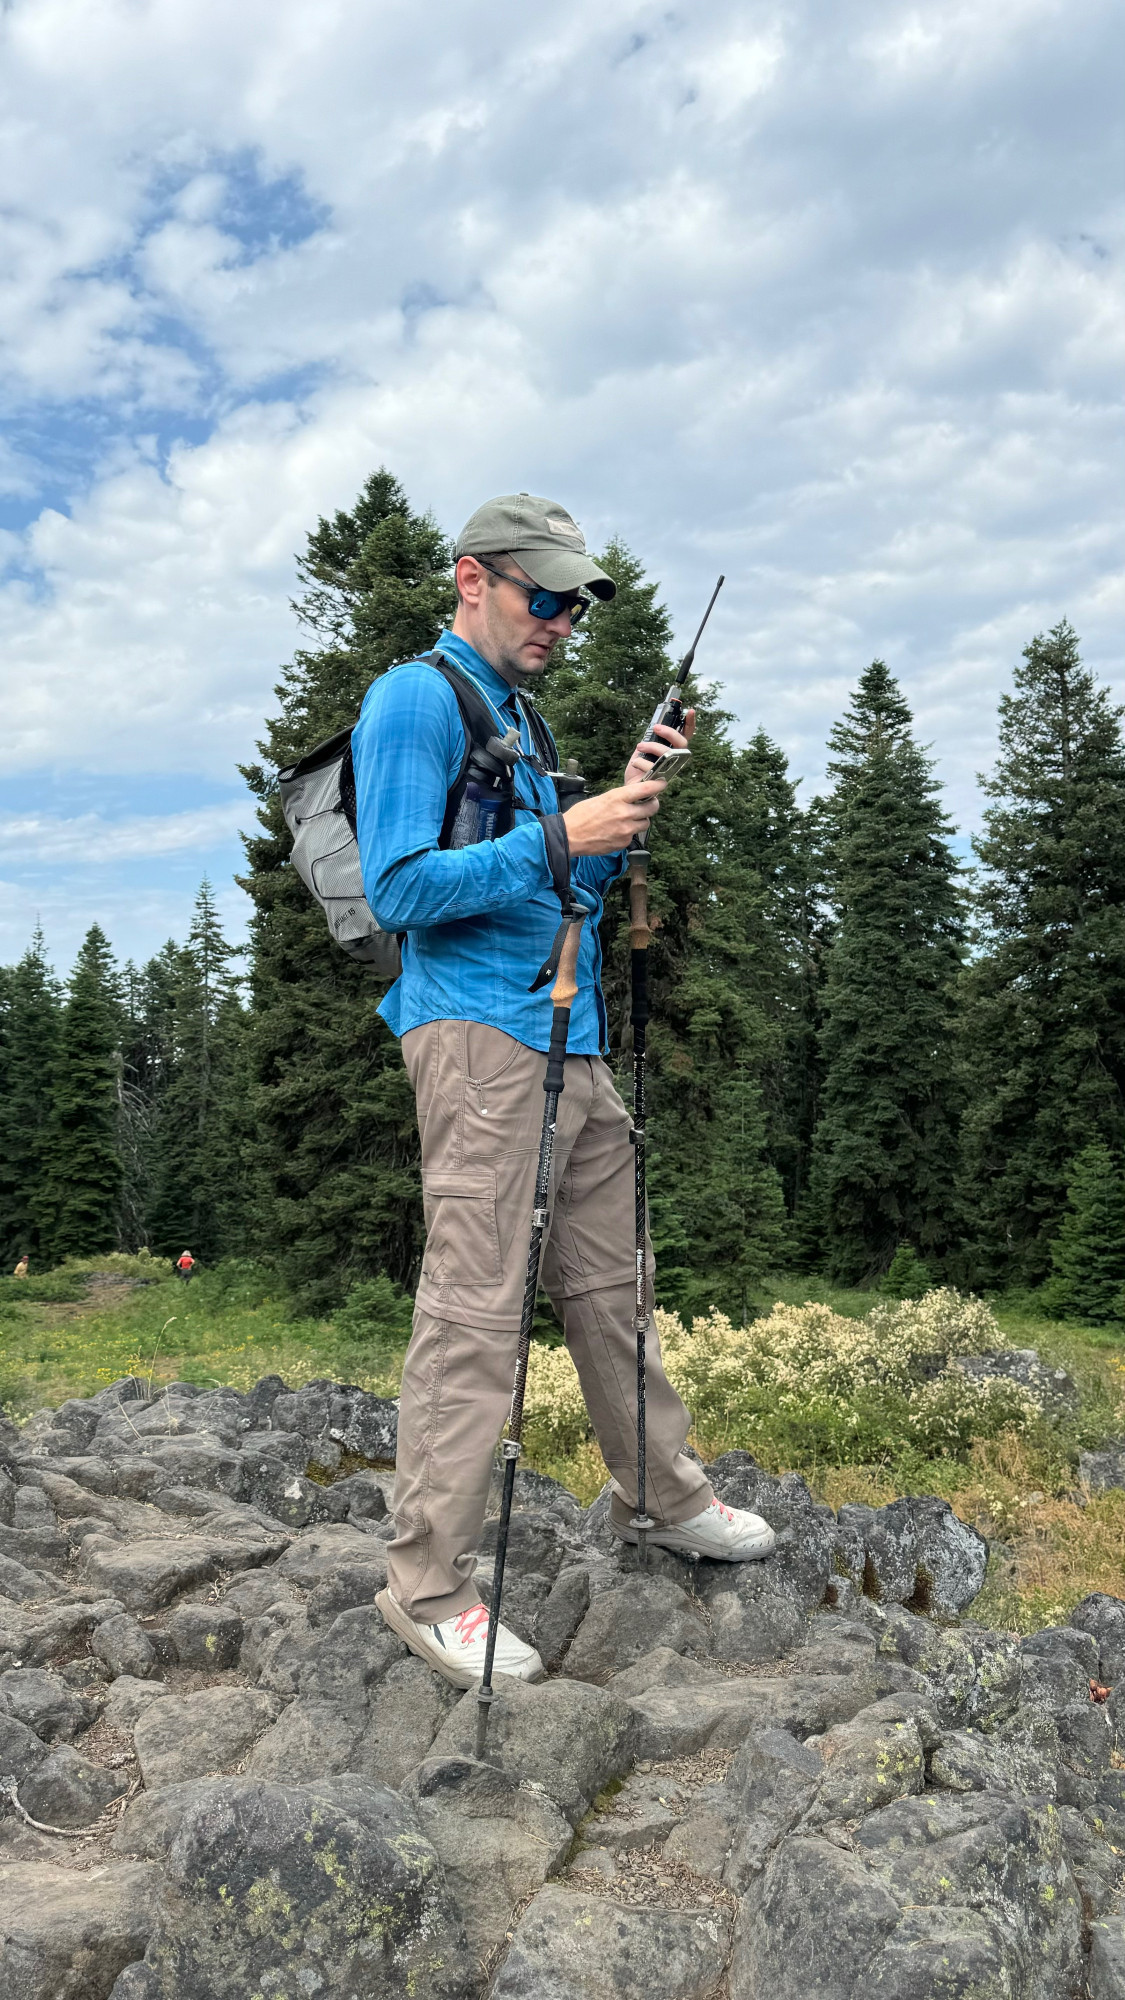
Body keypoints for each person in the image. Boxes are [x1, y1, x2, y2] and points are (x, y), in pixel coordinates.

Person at [353, 491, 774, 1691]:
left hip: (568, 1032)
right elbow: (398, 887)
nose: (561, 618)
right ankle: (427, 1583)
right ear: (471, 578)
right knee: (477, 1306)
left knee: (610, 1283)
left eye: (575, 601)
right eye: (543, 594)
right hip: (480, 1037)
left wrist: (618, 809)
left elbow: (562, 873)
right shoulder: (414, 699)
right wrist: (559, 837)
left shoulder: (521, 717)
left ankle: (659, 1494)